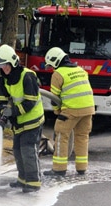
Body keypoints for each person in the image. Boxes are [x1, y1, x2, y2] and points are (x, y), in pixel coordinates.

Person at [0, 44, 45, 192]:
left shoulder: (27, 76)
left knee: (28, 151)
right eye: (1, 67)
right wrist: (4, 114)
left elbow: (30, 102)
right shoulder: (3, 80)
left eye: (6, 66)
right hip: (19, 121)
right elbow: (2, 101)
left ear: (13, 62)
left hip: (33, 120)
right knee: (17, 150)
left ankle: (34, 182)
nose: (4, 69)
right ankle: (23, 179)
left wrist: (13, 112)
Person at [43, 47, 95, 176]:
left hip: (71, 110)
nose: (51, 68)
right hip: (88, 109)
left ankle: (59, 168)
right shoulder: (81, 70)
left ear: (55, 61)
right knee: (82, 137)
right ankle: (81, 167)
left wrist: (57, 111)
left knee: (61, 136)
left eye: (50, 65)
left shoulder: (58, 74)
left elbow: (54, 98)